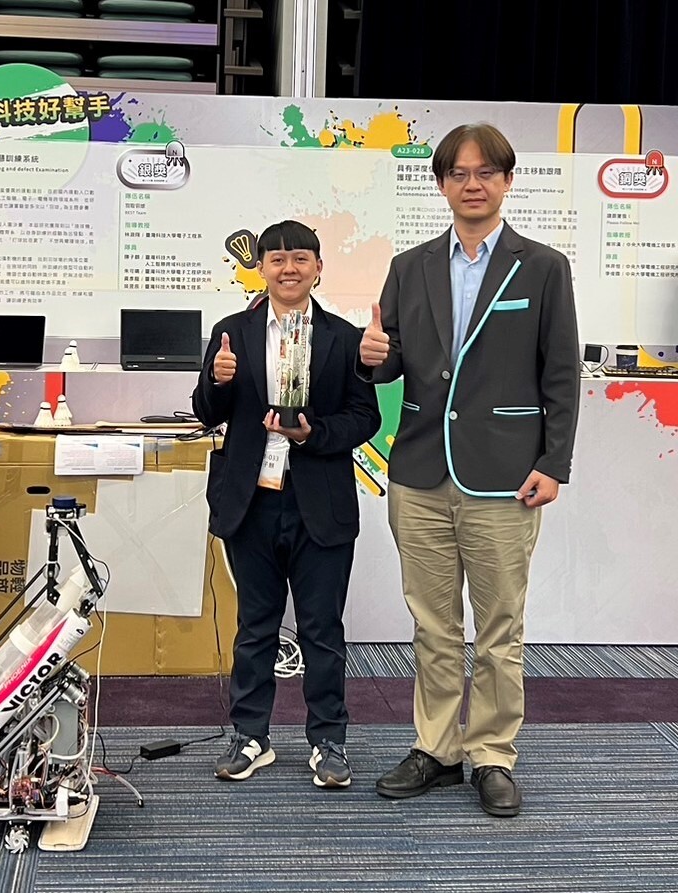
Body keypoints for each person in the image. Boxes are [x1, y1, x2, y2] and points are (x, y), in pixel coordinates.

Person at [358, 122, 580, 817]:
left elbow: (561, 372)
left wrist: (554, 462)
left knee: (497, 627)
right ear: (441, 184)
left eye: (486, 172)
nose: (473, 183)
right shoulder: (410, 265)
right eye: (459, 173)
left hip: (505, 474)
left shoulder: (541, 266)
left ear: (507, 181)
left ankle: (490, 752)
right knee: (431, 623)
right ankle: (436, 747)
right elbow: (394, 360)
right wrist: (373, 352)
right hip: (419, 470)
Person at [193, 220, 381, 788]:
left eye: (300, 258)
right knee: (256, 626)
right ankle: (250, 735)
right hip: (250, 501)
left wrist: (312, 435)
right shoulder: (232, 331)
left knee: (323, 629)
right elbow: (206, 411)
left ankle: (328, 740)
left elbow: (365, 417)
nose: (288, 268)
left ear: (319, 267)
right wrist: (220, 381)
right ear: (262, 268)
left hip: (318, 501)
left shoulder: (345, 338)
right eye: (276, 259)